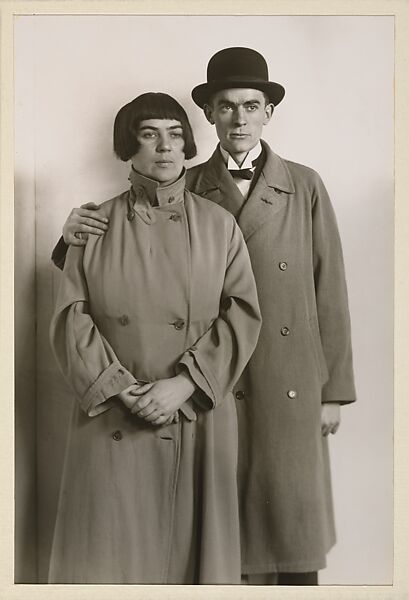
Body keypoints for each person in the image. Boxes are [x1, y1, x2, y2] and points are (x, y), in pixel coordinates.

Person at [52, 47, 356, 586]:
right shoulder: (186, 183)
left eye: (251, 105)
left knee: (289, 532)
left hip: (284, 379)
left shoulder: (304, 183)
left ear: (268, 112)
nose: (239, 118)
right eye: (226, 106)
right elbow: (121, 258)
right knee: (214, 535)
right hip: (210, 385)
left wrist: (333, 390)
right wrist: (68, 235)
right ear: (210, 116)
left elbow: (328, 288)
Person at [48, 91, 261, 584]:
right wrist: (124, 388)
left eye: (175, 134)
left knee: (191, 563)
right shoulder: (93, 223)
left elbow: (244, 315)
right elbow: (70, 316)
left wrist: (183, 385)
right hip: (112, 415)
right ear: (129, 147)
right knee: (112, 560)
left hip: (195, 410)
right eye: (149, 135)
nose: (165, 148)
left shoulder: (219, 225)